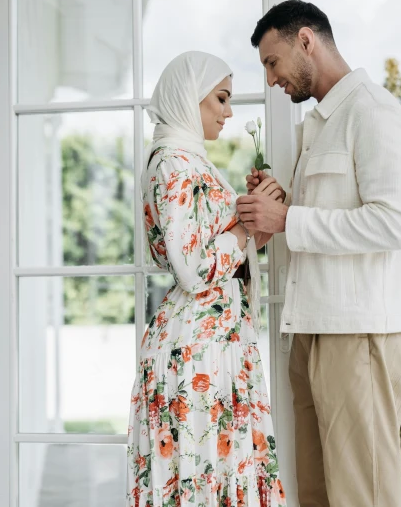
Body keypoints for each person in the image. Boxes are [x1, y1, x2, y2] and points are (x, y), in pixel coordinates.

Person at [239, 0, 401, 507]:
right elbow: (330, 216)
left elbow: (391, 223)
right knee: (318, 491)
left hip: (359, 331)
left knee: (362, 492)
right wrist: (284, 202)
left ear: (306, 40)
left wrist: (290, 220)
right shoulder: (323, 123)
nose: (271, 79)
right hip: (314, 328)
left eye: (272, 61)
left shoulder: (372, 111)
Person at [127, 51, 286, 507]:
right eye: (220, 98)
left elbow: (222, 251)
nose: (229, 112)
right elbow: (194, 269)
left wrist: (257, 214)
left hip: (216, 342)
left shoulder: (192, 161)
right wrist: (244, 226)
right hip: (198, 348)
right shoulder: (172, 162)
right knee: (200, 475)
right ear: (188, 97)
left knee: (218, 472)